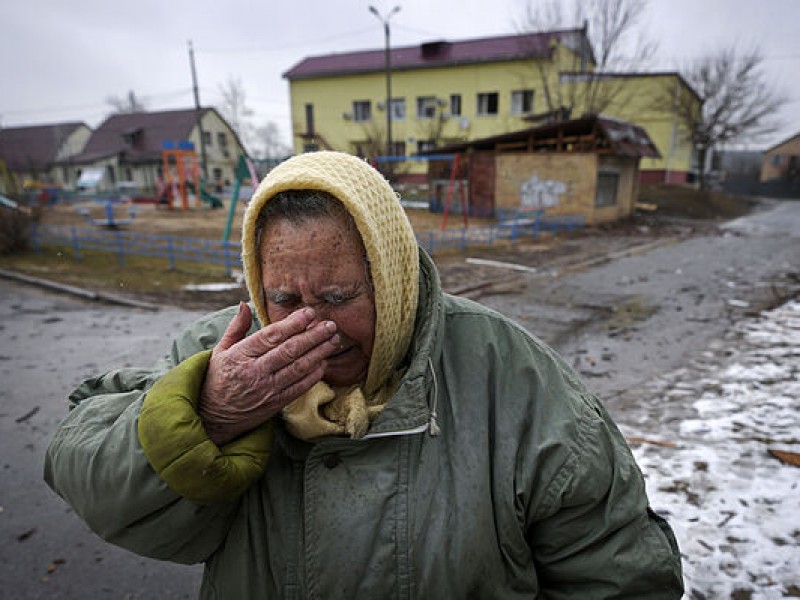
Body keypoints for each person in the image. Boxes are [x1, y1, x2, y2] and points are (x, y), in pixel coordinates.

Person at [45, 151, 683, 598]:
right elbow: (84, 464)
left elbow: (618, 575)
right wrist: (207, 415)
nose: (312, 328)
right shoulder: (224, 352)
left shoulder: (510, 375)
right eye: (286, 301)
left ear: (395, 280)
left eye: (340, 295)